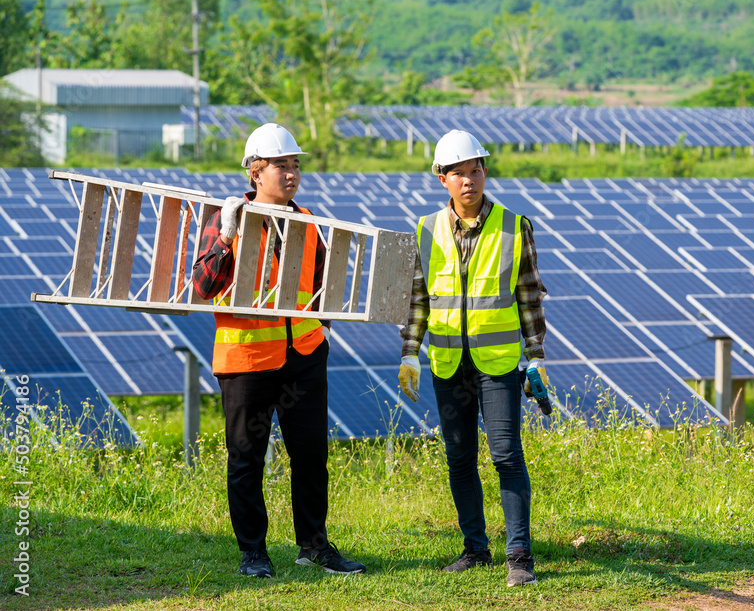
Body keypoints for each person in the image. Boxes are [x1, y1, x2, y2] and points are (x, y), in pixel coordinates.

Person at [192, 123, 366, 579]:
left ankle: (315, 546)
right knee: (246, 457)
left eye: (295, 165)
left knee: (310, 454)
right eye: (280, 166)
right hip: (246, 360)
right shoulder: (226, 219)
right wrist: (228, 239)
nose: (291, 174)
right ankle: (254, 553)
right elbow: (203, 285)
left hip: (305, 355)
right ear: (255, 172)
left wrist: (325, 322)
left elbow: (324, 286)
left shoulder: (308, 220)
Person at [397, 129, 549, 587]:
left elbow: (528, 295)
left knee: (506, 455)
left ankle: (519, 555)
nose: (470, 179)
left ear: (485, 172)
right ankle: (475, 549)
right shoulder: (426, 229)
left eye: (476, 169)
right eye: (459, 172)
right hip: (447, 362)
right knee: (459, 457)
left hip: (499, 362)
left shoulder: (514, 224)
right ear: (441, 178)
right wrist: (409, 352)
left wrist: (536, 356)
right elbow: (418, 297)